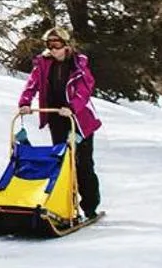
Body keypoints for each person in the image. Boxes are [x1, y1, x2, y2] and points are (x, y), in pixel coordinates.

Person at [18, 25, 101, 218]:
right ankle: (65, 207)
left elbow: (84, 90)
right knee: (62, 165)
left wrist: (72, 107)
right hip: (57, 118)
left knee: (83, 165)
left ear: (66, 45)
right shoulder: (43, 64)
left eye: (57, 44)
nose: (53, 49)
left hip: (80, 121)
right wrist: (25, 103)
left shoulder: (78, 65)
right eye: (50, 45)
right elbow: (32, 84)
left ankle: (90, 207)